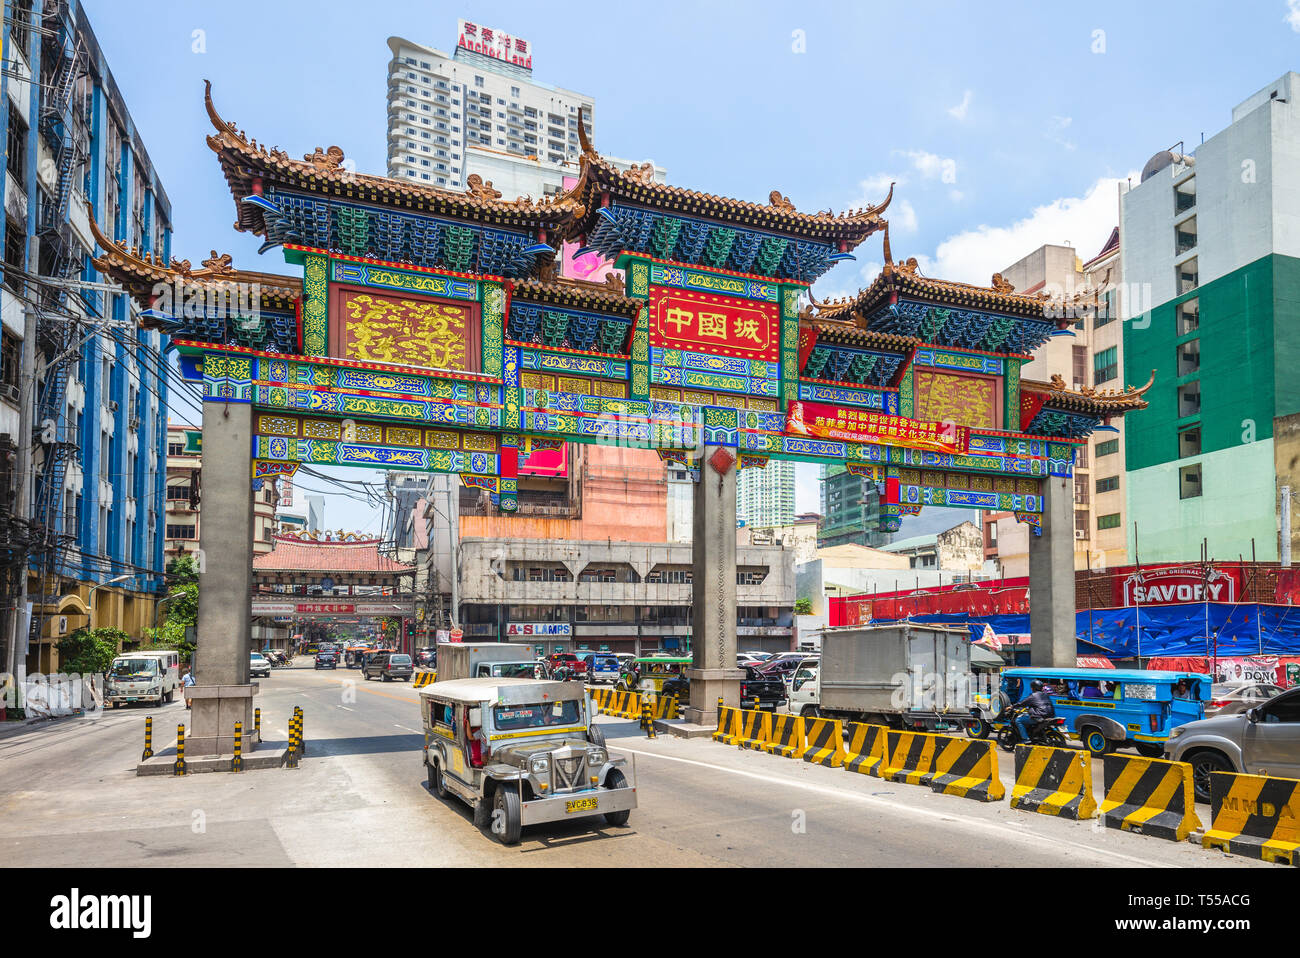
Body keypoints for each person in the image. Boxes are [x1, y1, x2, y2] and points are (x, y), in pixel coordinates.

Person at [1014, 679, 1055, 744]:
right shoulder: (1045, 695)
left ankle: (1026, 739)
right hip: (1049, 716)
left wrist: (1012, 706)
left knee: (1018, 720)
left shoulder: (1033, 695)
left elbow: (1022, 703)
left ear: (1032, 688)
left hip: (1039, 716)